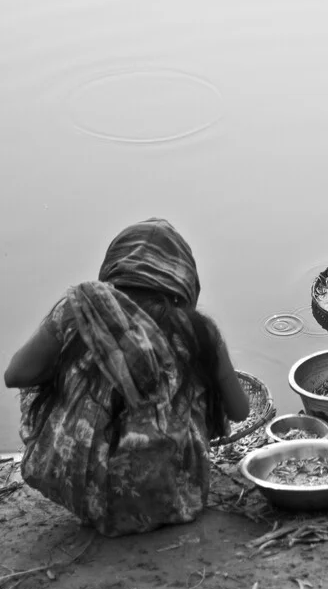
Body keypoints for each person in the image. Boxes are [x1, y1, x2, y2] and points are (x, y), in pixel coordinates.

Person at [3, 218, 249, 537]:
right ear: (183, 281)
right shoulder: (199, 331)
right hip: (174, 498)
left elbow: (16, 375)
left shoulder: (80, 311)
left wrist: (75, 358)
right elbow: (240, 412)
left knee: (51, 379)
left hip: (83, 495)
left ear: (112, 272)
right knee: (193, 388)